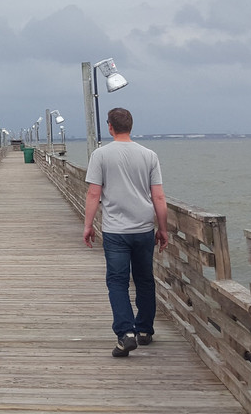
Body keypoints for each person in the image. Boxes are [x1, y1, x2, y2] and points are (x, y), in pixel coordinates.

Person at [83, 107, 169, 357]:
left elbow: (93, 193)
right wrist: (162, 228)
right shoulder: (149, 155)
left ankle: (126, 333)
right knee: (144, 280)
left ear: (110, 126)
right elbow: (159, 196)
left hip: (115, 230)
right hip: (144, 229)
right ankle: (144, 330)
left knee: (118, 282)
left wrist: (88, 225)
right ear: (131, 126)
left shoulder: (100, 155)